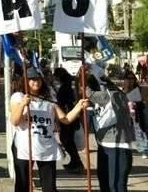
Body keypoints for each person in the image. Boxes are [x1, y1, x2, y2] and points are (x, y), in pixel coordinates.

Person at [9, 66, 88, 192]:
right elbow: (14, 121)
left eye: (38, 79)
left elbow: (65, 119)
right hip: (24, 146)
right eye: (32, 79)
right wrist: (23, 104)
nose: (36, 82)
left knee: (49, 186)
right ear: (25, 81)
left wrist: (79, 106)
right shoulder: (19, 96)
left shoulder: (49, 99)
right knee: (23, 184)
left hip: (46, 146)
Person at [86, 63, 136, 192]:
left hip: (118, 146)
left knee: (115, 185)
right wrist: (91, 68)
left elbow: (87, 91)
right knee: (107, 184)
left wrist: (84, 74)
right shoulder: (114, 93)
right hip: (105, 145)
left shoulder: (109, 95)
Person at [53, 66, 83, 172]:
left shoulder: (65, 88)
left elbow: (62, 103)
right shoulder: (70, 85)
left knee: (66, 140)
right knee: (67, 140)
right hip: (71, 115)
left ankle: (76, 162)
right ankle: (75, 161)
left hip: (67, 116)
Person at [123, 70, 148, 159]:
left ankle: (144, 151)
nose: (130, 80)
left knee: (140, 132)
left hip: (138, 114)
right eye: (128, 78)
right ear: (124, 80)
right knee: (129, 133)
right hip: (127, 115)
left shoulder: (140, 89)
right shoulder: (122, 90)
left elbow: (144, 102)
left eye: (132, 78)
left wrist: (138, 103)